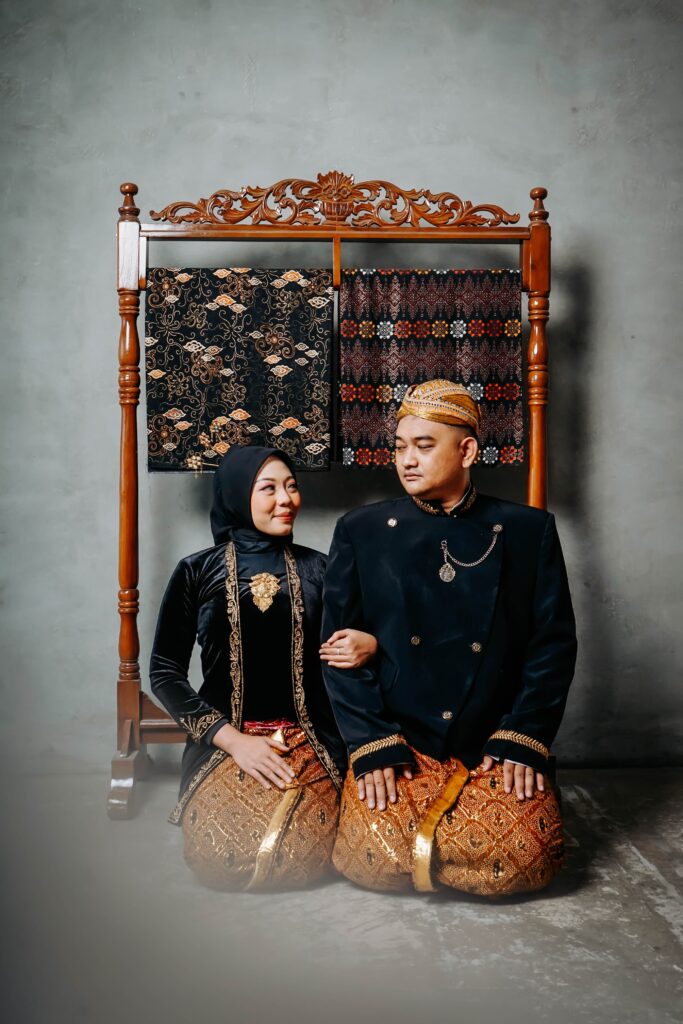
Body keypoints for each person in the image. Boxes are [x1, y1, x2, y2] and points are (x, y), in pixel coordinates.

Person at [322, 379, 577, 896]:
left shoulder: (529, 531)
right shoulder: (360, 530)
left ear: (467, 451)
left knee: (523, 862)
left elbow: (551, 646)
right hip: (401, 738)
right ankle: (447, 845)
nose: (407, 460)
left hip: (490, 740)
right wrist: (370, 742)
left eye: (423, 446)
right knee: (372, 860)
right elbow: (337, 653)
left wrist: (522, 737)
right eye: (399, 447)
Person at [150, 445, 377, 891]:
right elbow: (164, 672)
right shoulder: (197, 571)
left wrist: (371, 643)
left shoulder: (321, 569)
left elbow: (361, 646)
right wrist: (235, 742)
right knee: (221, 855)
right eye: (269, 488)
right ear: (238, 494)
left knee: (299, 852)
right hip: (226, 743)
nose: (286, 499)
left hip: (312, 741)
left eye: (292, 486)